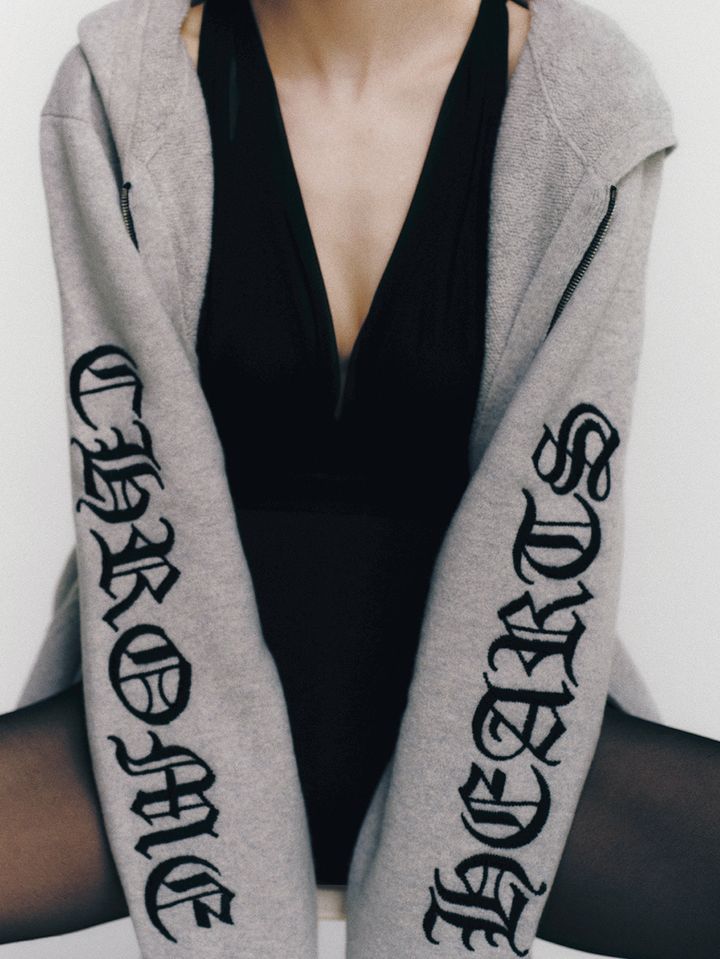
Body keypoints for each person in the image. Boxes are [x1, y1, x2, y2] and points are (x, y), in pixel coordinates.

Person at [1, 0, 717, 956]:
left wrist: (445, 899)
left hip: (493, 717)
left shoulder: (591, 111)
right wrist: (230, 904)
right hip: (165, 725)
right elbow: (138, 509)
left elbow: (548, 542)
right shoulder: (118, 94)